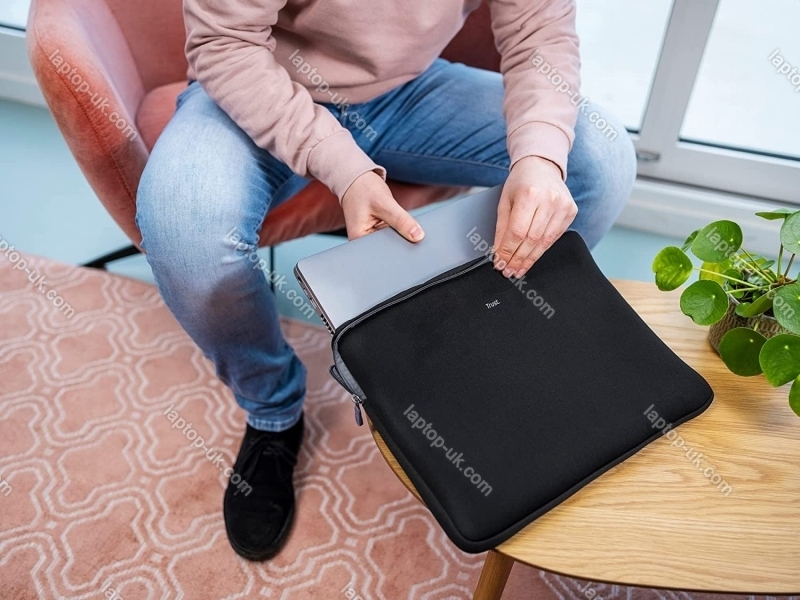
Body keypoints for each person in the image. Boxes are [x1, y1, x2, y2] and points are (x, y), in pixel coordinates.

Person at [136, 0, 636, 561]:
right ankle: (273, 411)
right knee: (182, 229)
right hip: (263, 81)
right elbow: (224, 42)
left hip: (406, 91)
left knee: (601, 159)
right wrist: (345, 169)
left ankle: (474, 350)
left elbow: (539, 30)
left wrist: (540, 159)